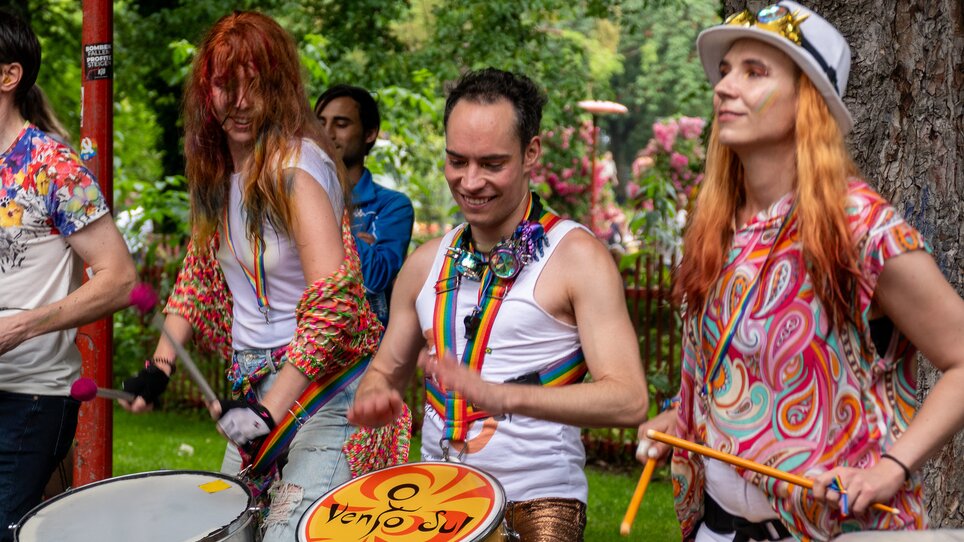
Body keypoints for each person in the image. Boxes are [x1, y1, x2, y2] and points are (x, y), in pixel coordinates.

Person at [635, 2, 964, 541]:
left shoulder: (859, 225)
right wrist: (682, 422)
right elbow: (732, 380)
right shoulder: (714, 224)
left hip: (833, 530)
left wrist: (892, 468)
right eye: (724, 72)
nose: (724, 88)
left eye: (754, 72)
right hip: (715, 528)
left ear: (807, 99)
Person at [118, 12, 406, 541]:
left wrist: (269, 409)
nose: (241, 101)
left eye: (257, 85)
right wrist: (159, 366)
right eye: (227, 85)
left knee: (289, 535)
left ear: (281, 89)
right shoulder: (218, 174)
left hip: (325, 396)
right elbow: (198, 277)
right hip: (258, 395)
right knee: (224, 535)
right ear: (208, 91)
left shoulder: (297, 169)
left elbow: (335, 301)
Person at [348, 67, 649, 541]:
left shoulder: (577, 257)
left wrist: (502, 396)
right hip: (437, 504)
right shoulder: (426, 263)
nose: (470, 181)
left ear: (531, 153)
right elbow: (385, 371)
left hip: (538, 503)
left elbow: (630, 399)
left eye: (491, 164)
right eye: (457, 161)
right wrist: (374, 396)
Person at [0, 11, 136, 540]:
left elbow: (120, 277)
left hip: (31, 396)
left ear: (8, 76)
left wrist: (19, 327)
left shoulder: (54, 166)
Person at [314, 84, 414, 327]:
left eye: (341, 124)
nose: (327, 133)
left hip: (366, 356)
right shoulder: (297, 196)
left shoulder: (393, 206)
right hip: (304, 347)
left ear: (369, 133)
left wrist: (325, 218)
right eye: (321, 122)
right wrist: (356, 244)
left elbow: (374, 278)